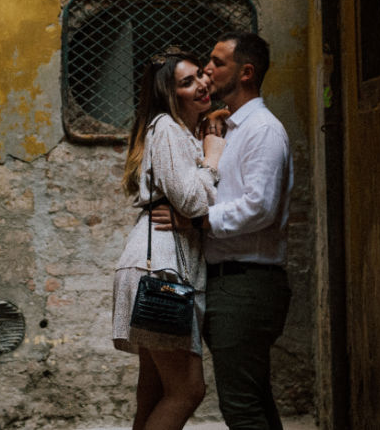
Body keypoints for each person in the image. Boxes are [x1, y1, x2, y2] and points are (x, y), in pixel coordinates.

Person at [154, 31, 293, 430]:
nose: (208, 71)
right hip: (230, 281)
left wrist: (195, 221)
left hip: (247, 282)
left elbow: (259, 208)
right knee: (254, 398)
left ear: (246, 72)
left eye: (217, 63)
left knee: (241, 405)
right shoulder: (228, 126)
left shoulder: (263, 130)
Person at [112, 49, 227, 430]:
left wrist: (207, 132)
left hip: (154, 263)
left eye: (200, 76)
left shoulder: (179, 132)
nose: (202, 84)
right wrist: (212, 158)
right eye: (187, 82)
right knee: (187, 391)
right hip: (160, 268)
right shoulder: (166, 129)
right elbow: (192, 200)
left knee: (155, 388)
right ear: (169, 94)